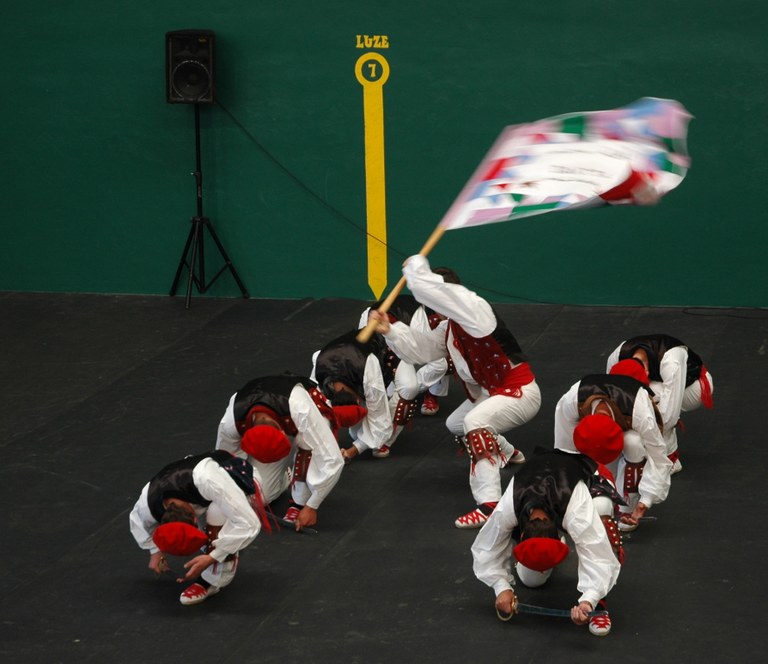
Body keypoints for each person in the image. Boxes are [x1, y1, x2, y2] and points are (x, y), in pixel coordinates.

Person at [369, 255, 541, 528]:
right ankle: (508, 452)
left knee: (475, 422)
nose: (434, 311)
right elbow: (421, 351)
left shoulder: (476, 310)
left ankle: (489, 504)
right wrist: (390, 329)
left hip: (520, 392)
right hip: (493, 393)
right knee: (456, 424)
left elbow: (435, 291)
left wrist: (416, 267)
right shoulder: (449, 328)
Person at [471, 448, 623, 636]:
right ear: (521, 534)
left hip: (589, 475)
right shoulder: (509, 507)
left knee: (602, 517)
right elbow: (487, 547)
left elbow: (597, 552)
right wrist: (501, 588)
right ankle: (546, 556)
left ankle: (601, 603)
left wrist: (589, 601)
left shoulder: (576, 511)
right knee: (531, 580)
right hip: (541, 476)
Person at [215, 374, 365, 531]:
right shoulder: (231, 423)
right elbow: (225, 463)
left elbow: (333, 460)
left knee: (305, 441)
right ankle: (287, 475)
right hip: (281, 416)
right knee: (258, 498)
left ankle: (298, 501)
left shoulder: (302, 410)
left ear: (282, 433)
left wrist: (311, 506)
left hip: (309, 412)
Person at [129, 450, 267, 605]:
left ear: (196, 518)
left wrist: (212, 557)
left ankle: (212, 580)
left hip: (238, 476)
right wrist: (155, 551)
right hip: (206, 487)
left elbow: (250, 524)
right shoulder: (147, 505)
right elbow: (135, 519)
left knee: (217, 512)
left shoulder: (208, 481)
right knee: (215, 517)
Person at [553, 368, 672, 531]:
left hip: (633, 418)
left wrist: (646, 500)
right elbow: (564, 453)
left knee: (633, 442)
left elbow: (659, 460)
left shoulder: (641, 414)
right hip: (596, 421)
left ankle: (628, 504)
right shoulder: (570, 403)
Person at [606, 334, 714, 474]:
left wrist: (640, 424)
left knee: (656, 402)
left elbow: (668, 417)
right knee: (638, 405)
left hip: (694, 386)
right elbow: (609, 392)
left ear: (647, 372)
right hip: (661, 381)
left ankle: (671, 460)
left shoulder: (671, 361)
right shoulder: (616, 357)